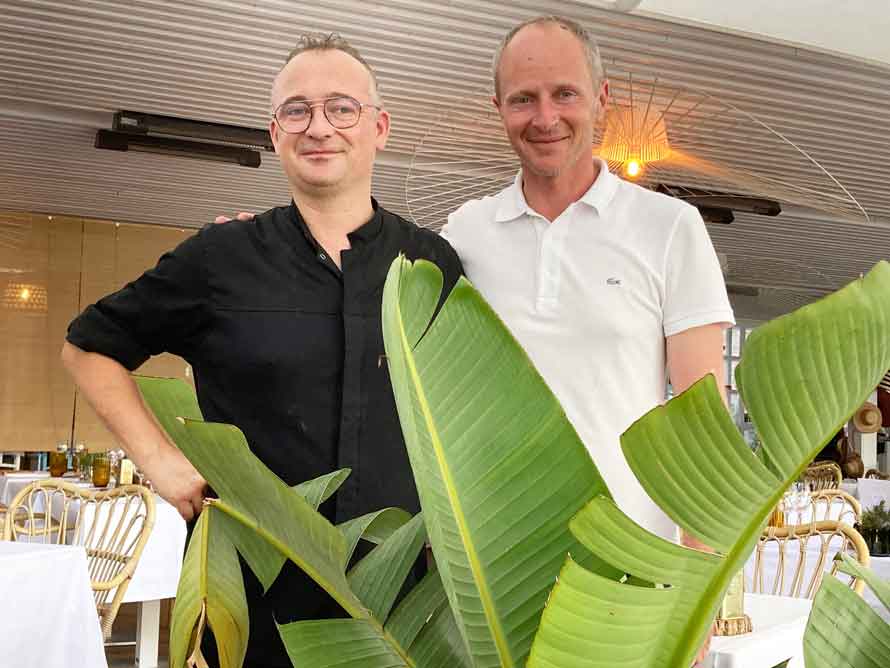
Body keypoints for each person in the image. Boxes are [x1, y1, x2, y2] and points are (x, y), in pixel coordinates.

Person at [61, 33, 462, 668]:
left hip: (402, 592)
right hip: (253, 590)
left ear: (380, 128)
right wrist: (161, 463)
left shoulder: (433, 262)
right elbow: (88, 346)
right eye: (297, 110)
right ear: (275, 134)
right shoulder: (221, 258)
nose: (319, 127)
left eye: (341, 107)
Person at [439, 16, 733, 665]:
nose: (545, 116)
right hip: (495, 577)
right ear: (498, 109)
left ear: (602, 100)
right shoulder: (465, 233)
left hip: (629, 582)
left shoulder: (669, 228)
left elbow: (702, 420)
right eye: (523, 98)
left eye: (564, 93)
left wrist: (702, 582)